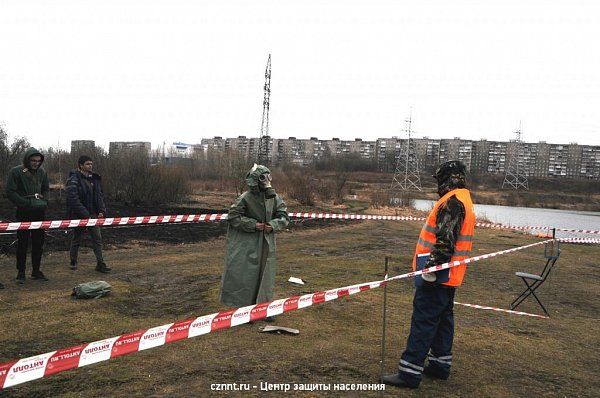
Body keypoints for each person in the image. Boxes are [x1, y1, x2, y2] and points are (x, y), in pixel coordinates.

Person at [383, 160, 475, 389]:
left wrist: (430, 271)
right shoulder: (464, 199)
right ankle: (439, 365)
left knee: (423, 321)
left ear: (448, 178)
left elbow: (445, 243)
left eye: (440, 179)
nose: (438, 185)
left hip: (438, 275)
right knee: (444, 320)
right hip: (450, 275)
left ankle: (409, 372)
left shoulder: (452, 202)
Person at [219, 164, 289, 320]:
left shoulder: (274, 198)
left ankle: (264, 308)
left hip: (266, 243)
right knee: (246, 275)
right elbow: (233, 217)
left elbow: (284, 216)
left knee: (266, 275)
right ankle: (244, 311)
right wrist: (253, 225)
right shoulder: (245, 198)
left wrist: (273, 225)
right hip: (247, 243)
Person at [5, 147, 50, 283]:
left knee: (38, 242)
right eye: (33, 160)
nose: (36, 163)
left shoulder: (42, 172)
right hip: (24, 211)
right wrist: (25, 202)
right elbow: (10, 191)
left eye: (38, 160)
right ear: (27, 160)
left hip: (39, 211)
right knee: (23, 243)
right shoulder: (16, 172)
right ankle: (21, 272)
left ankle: (36, 271)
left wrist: (45, 200)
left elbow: (46, 188)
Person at [65, 155, 111, 273]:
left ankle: (100, 263)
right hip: (79, 216)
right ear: (81, 165)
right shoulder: (73, 179)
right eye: (87, 164)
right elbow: (73, 199)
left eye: (91, 163)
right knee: (77, 238)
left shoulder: (95, 179)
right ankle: (73, 261)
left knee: (97, 239)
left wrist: (101, 211)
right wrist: (86, 215)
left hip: (93, 215)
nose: (90, 166)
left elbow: (99, 196)